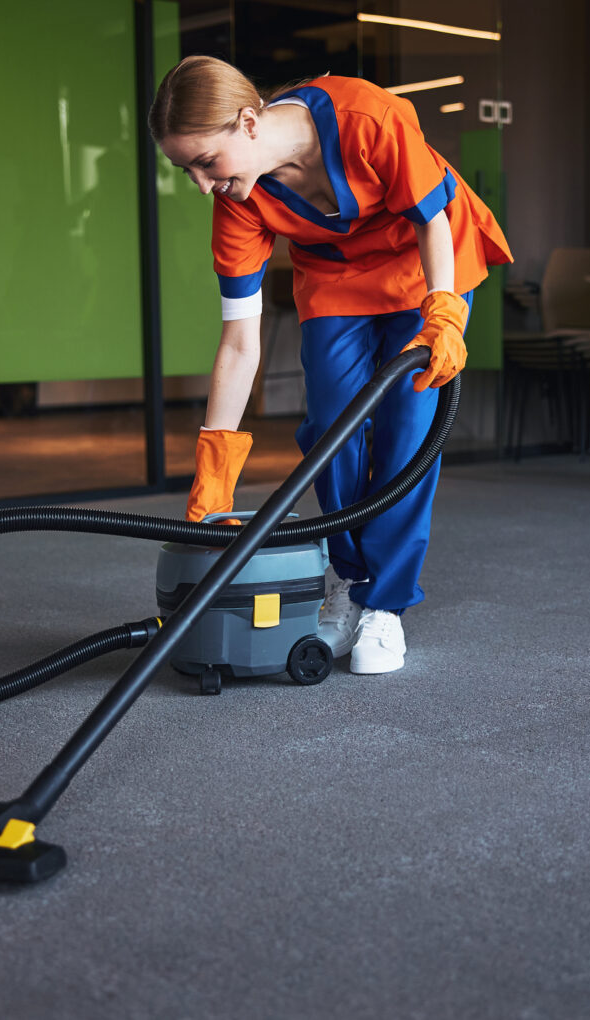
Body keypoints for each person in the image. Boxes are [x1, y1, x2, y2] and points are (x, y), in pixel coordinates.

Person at [149, 57, 512, 673]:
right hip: (337, 279)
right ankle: (347, 576)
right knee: (331, 429)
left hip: (426, 266)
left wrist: (444, 311)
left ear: (247, 123)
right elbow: (240, 341)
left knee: (408, 428)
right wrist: (214, 466)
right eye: (186, 170)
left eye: (205, 162)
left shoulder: (368, 116)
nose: (201, 184)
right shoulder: (240, 200)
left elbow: (431, 221)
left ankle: (385, 605)